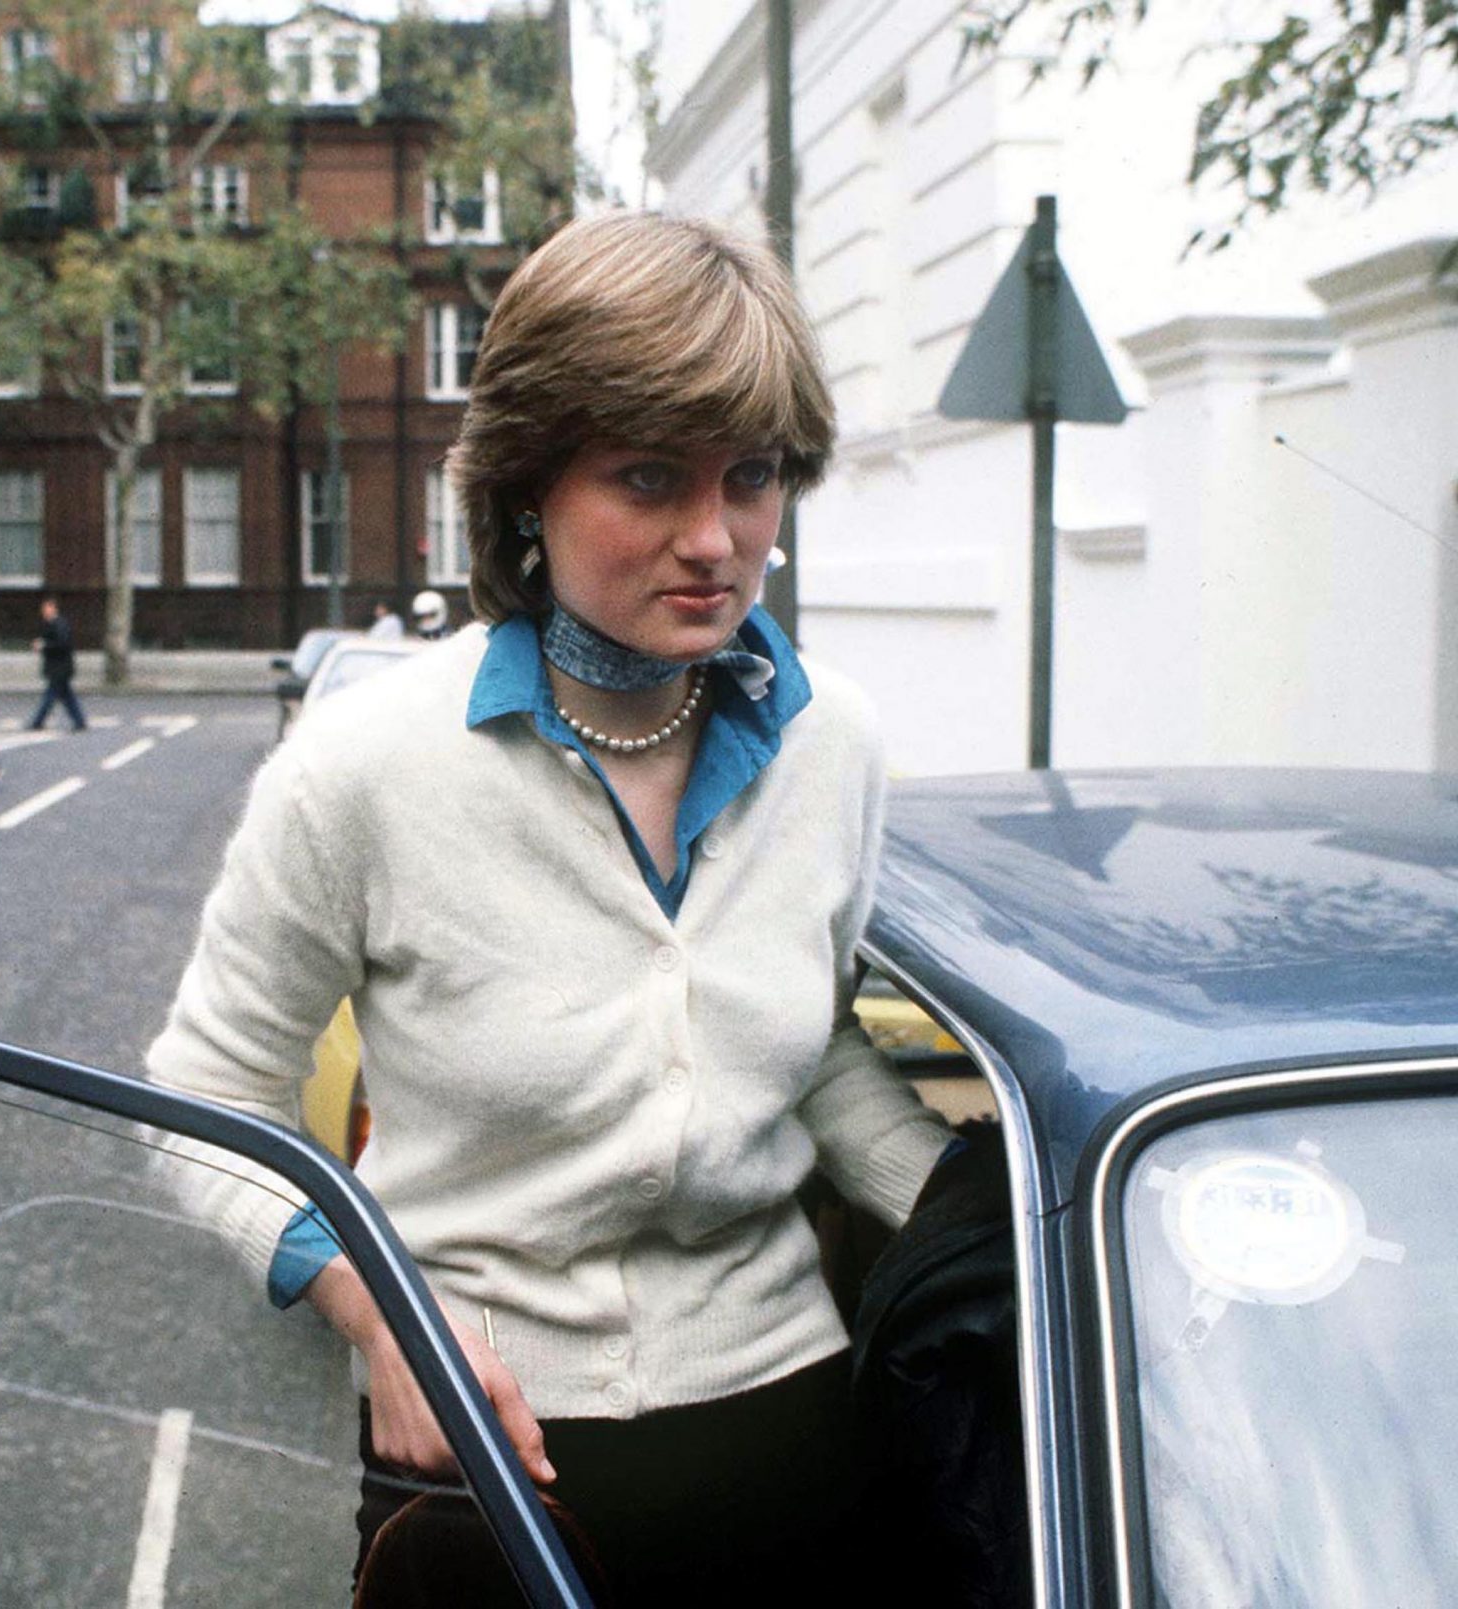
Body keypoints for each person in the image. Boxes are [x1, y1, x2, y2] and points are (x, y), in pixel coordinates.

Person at [141, 211, 948, 1604]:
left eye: (750, 477)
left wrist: (999, 1227)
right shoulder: (366, 766)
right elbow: (206, 1093)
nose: (715, 539)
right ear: (526, 489)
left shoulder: (838, 745)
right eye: (647, 478)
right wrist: (380, 1318)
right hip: (476, 1443)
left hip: (793, 1428)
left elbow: (808, 1045)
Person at [27, 597, 87, 731]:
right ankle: (79, 722)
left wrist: (44, 645)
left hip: (60, 667)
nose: (44, 611)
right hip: (58, 667)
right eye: (43, 609)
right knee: (67, 697)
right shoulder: (52, 624)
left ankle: (38, 722)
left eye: (47, 608)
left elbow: (63, 644)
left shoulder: (59, 624)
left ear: (53, 609)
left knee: (50, 696)